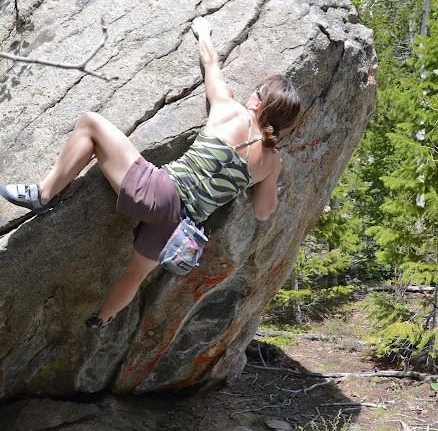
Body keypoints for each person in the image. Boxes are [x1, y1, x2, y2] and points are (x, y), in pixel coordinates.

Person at [0, 17, 301, 328]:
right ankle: (100, 319)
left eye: (257, 90)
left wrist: (203, 31)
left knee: (90, 122)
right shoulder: (272, 163)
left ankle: (42, 194)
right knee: (134, 276)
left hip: (158, 191)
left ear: (259, 103)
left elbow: (210, 63)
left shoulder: (230, 110)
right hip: (179, 229)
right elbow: (263, 212)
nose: (252, 93)